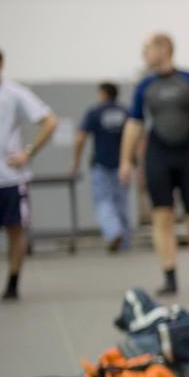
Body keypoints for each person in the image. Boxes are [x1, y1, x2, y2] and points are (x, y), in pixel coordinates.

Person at [119, 33, 189, 296]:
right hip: (158, 155)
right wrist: (125, 161)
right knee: (161, 216)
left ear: (164, 49)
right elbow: (134, 124)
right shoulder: (145, 86)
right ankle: (170, 274)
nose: (144, 54)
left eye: (147, 49)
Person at [0, 46, 59, 301]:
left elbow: (50, 122)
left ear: (1, 65)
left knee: (15, 230)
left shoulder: (14, 93)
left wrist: (27, 153)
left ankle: (12, 281)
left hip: (9, 177)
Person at [71, 82, 131, 251]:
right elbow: (138, 138)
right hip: (122, 164)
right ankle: (124, 243)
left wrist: (76, 162)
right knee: (121, 203)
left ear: (103, 94)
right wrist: (138, 163)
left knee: (103, 202)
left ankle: (113, 233)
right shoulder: (126, 112)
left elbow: (80, 137)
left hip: (101, 164)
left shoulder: (95, 112)